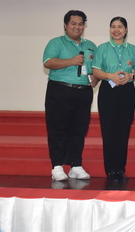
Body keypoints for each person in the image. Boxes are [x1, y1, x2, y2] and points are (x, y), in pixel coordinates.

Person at [42, 10, 96, 182]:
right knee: (58, 129)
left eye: (80, 24)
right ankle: (57, 166)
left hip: (84, 92)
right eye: (73, 23)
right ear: (65, 25)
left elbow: (96, 67)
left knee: (79, 130)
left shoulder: (91, 45)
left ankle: (76, 165)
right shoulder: (56, 42)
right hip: (60, 90)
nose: (77, 27)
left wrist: (96, 78)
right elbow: (48, 62)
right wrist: (71, 61)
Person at [91, 16, 135, 183]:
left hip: (127, 91)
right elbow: (96, 70)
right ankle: (110, 170)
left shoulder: (133, 49)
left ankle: (120, 169)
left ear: (126, 30)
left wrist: (131, 76)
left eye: (120, 27)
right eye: (113, 26)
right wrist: (110, 76)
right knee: (108, 131)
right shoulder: (102, 48)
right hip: (108, 91)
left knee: (123, 131)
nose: (116, 30)